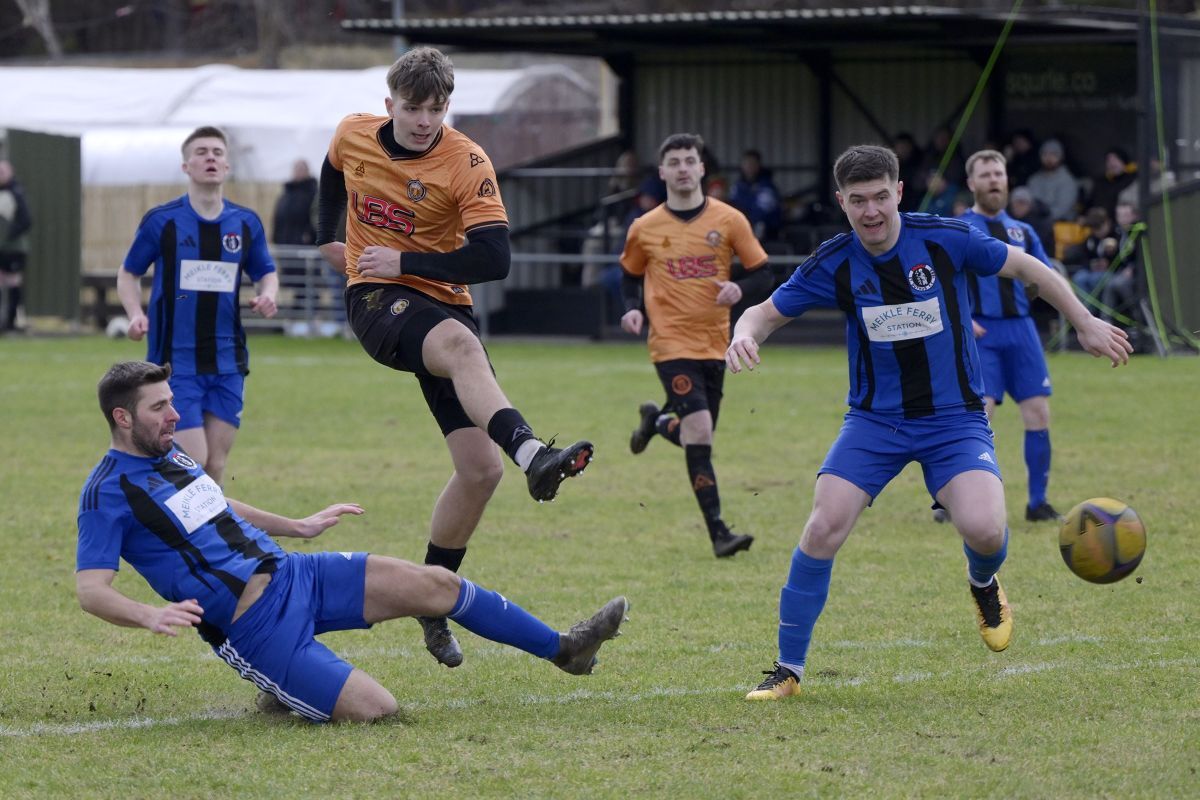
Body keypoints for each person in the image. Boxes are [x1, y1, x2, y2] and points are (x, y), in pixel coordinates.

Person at [725, 145, 1131, 701]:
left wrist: (1083, 321)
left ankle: (982, 582)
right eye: (858, 201)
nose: (872, 212)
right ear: (842, 203)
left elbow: (1028, 267)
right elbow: (763, 312)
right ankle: (788, 670)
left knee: (987, 530)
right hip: (874, 423)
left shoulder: (944, 238)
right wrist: (742, 335)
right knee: (822, 528)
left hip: (954, 420)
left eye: (881, 198)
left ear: (899, 193)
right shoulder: (835, 261)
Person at [76, 361, 628, 723]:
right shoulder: (105, 493)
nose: (175, 414)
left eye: (173, 402)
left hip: (296, 575)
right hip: (252, 627)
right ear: (122, 418)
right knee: (378, 712)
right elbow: (91, 590)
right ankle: (286, 682)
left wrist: (299, 525)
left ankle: (566, 649)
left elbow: (215, 503)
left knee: (437, 584)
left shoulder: (170, 453)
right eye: (159, 408)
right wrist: (149, 616)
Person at [315, 46, 594, 670]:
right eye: (413, 109)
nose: (423, 121)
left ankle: (432, 603)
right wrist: (327, 238)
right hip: (377, 298)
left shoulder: (467, 161)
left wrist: (409, 260)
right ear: (390, 105)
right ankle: (534, 454)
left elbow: (495, 261)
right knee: (463, 349)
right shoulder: (353, 132)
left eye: (436, 110)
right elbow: (332, 175)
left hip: (440, 300)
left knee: (478, 472)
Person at [619, 133, 772, 558]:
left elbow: (763, 274)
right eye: (675, 161)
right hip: (669, 343)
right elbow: (629, 275)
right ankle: (719, 533)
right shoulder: (645, 228)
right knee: (700, 430)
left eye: (691, 160)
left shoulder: (729, 220)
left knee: (697, 436)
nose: (684, 168)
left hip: (715, 344)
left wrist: (738, 290)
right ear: (663, 172)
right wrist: (632, 308)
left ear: (702, 168)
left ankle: (655, 422)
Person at [117, 126, 279, 486]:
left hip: (228, 360)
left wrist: (269, 293)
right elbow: (128, 273)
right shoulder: (164, 221)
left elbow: (266, 271)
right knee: (194, 461)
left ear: (227, 166)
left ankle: (208, 540)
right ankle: (171, 530)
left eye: (218, 152)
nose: (211, 157)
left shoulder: (245, 222)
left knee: (216, 465)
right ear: (186, 166)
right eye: (202, 152)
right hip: (176, 362)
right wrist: (135, 314)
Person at [947, 149, 1063, 523]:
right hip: (981, 331)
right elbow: (943, 282)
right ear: (971, 184)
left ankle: (1037, 503)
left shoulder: (1023, 231)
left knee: (1038, 413)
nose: (994, 180)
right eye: (985, 175)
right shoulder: (959, 229)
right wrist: (961, 317)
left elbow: (1042, 278)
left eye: (998, 174)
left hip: (1022, 332)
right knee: (980, 416)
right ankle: (957, 501)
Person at [0, 159, 33, 333]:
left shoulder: (16, 193)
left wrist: (8, 235)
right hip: (1, 249)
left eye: (3, 171)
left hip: (14, 249)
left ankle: (11, 322)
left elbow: (26, 221)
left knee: (13, 282)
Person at [729, 149, 783, 241]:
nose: (749, 166)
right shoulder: (737, 186)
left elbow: (763, 211)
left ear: (758, 165)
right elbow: (732, 205)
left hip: (766, 230)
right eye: (746, 163)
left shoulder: (766, 187)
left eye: (752, 163)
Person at [1025, 138, 1078, 222]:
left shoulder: (1068, 181)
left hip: (1060, 225)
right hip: (1035, 222)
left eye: (1054, 154)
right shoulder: (1034, 179)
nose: (1049, 158)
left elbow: (1062, 209)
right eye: (1045, 154)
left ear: (1061, 157)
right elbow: (1029, 203)